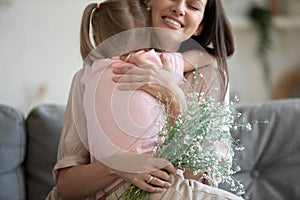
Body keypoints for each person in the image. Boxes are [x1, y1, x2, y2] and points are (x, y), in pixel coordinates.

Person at [46, 0, 239, 199]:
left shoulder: (210, 78)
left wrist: (174, 98)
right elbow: (67, 188)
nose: (179, 9)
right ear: (149, 2)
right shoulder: (86, 78)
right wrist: (118, 166)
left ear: (200, 26)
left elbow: (198, 182)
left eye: (193, 5)